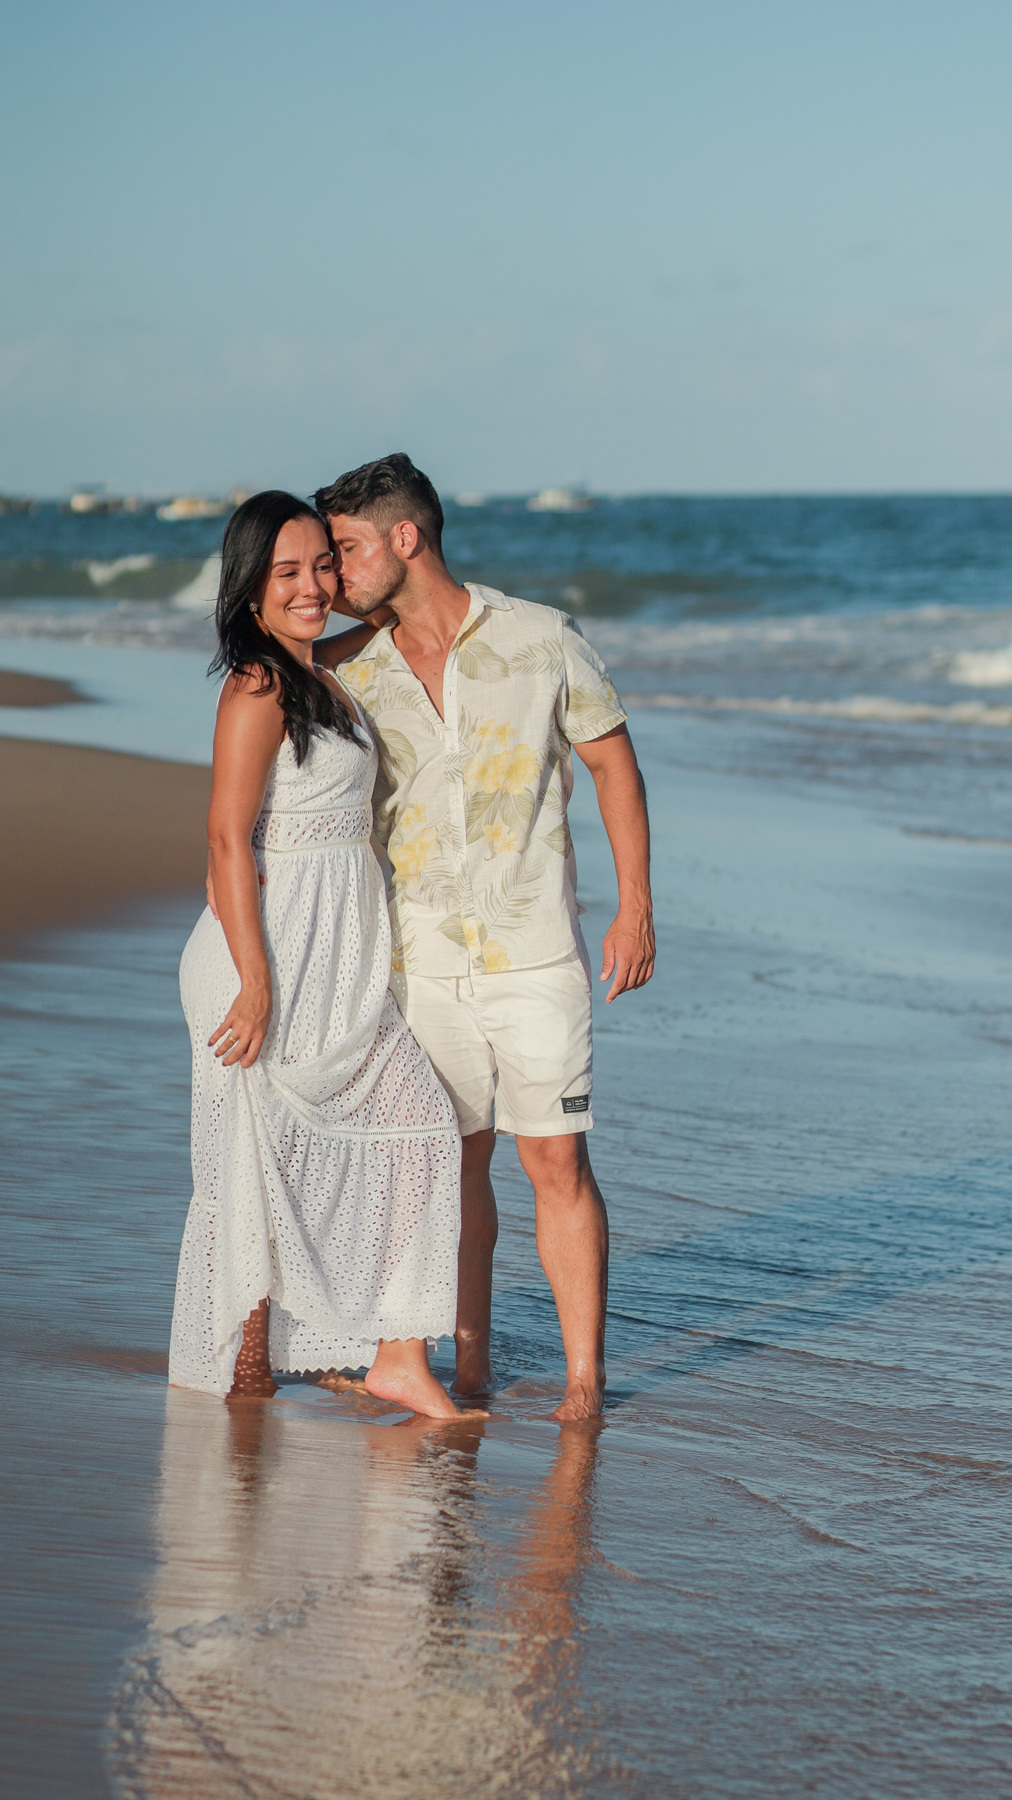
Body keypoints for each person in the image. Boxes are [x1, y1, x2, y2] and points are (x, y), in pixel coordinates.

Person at [314, 454, 655, 1422]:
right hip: (419, 964)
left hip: (536, 952)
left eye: (346, 548)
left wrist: (636, 903)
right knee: (450, 1164)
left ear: (406, 539)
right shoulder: (348, 670)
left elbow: (611, 763)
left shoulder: (544, 638)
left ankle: (585, 1385)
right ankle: (465, 1370)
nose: (334, 574)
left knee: (557, 1162)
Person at [168, 490, 466, 1420]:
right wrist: (255, 983)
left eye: (321, 566)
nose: (311, 587)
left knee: (417, 1127)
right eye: (287, 572)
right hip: (266, 956)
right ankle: (245, 1388)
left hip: (333, 957)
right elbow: (225, 840)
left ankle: (396, 1355)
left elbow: (398, 618)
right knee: (252, 1171)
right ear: (250, 587)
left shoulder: (323, 674)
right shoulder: (257, 685)